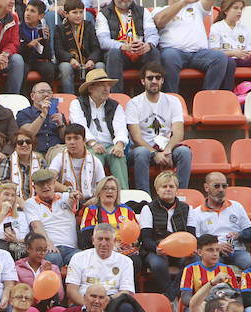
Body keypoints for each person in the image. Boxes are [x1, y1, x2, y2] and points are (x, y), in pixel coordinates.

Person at [125, 61, 192, 193]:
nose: (154, 81)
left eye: (158, 78)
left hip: (166, 148)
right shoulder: (133, 104)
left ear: (162, 81)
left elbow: (178, 134)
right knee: (142, 152)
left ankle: (180, 195)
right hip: (143, 150)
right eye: (150, 78)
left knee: (185, 152)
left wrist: (167, 150)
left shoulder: (173, 101)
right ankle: (144, 198)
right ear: (143, 81)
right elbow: (136, 137)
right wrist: (154, 153)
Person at [139, 170, 198, 299]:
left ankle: (171, 293)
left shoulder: (187, 209)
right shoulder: (148, 209)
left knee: (195, 261)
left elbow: (192, 235)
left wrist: (191, 249)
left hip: (181, 250)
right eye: (164, 186)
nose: (168, 189)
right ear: (157, 190)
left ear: (176, 189)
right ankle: (171, 295)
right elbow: (146, 239)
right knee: (157, 263)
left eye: (171, 186)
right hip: (157, 249)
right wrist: (156, 248)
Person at [152, 0, 232, 94]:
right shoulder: (159, 10)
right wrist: (183, 2)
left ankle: (207, 98)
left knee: (220, 57)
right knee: (169, 56)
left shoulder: (197, 7)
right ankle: (172, 99)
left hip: (199, 53)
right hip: (174, 52)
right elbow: (159, 21)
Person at [69, 68, 129, 189]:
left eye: (108, 85)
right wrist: (93, 143)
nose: (106, 89)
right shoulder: (77, 104)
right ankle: (93, 196)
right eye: (102, 85)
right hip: (88, 146)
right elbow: (80, 127)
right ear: (90, 88)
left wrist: (119, 144)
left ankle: (124, 197)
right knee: (93, 157)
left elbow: (121, 128)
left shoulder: (115, 105)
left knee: (118, 156)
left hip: (110, 145)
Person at [66, 223, 136, 312]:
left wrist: (106, 301)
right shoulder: (78, 258)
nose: (103, 243)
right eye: (100, 239)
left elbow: (126, 292)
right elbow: (71, 290)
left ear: (114, 241)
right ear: (93, 240)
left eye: (107, 239)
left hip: (112, 303)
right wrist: (89, 306)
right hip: (84, 302)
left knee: (126, 309)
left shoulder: (126, 261)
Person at [96, 0, 161, 93]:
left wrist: (148, 45)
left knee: (153, 51)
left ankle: (154, 94)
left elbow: (153, 34)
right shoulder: (103, 14)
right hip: (120, 53)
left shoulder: (143, 11)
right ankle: (116, 97)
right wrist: (123, 46)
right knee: (114, 52)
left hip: (140, 51)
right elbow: (104, 41)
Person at [78, 176, 139, 275]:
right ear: (99, 192)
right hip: (102, 249)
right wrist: (112, 245)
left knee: (136, 261)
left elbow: (136, 236)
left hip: (125, 251)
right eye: (105, 188)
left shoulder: (127, 210)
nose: (109, 191)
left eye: (113, 189)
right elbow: (86, 238)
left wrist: (130, 243)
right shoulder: (92, 210)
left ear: (117, 193)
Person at [193, 172, 251, 272]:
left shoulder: (236, 206)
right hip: (212, 253)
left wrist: (239, 235)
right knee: (213, 267)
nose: (221, 189)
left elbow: (250, 232)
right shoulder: (197, 213)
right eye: (216, 186)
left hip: (237, 251)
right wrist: (216, 247)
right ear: (206, 187)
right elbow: (197, 241)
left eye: (224, 186)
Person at [210, 0, 251, 90]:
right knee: (230, 63)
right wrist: (233, 53)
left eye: (241, 9)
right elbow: (214, 52)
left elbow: (250, 48)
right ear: (226, 11)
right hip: (227, 59)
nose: (239, 11)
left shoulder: (244, 28)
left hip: (243, 58)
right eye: (236, 8)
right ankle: (229, 94)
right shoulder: (216, 27)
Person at [23, 168, 78, 266]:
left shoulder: (65, 197)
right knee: (53, 258)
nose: (45, 187)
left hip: (71, 248)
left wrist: (74, 195)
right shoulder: (31, 203)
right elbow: (36, 226)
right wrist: (48, 244)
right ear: (34, 187)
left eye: (48, 183)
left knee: (81, 258)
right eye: (41, 184)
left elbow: (75, 199)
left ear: (54, 183)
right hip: (49, 248)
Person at [179, 234, 239, 312]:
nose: (215, 254)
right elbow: (185, 298)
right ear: (199, 252)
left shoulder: (227, 269)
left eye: (217, 250)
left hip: (224, 308)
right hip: (200, 306)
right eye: (210, 250)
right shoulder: (190, 269)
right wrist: (202, 303)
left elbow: (237, 295)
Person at [48, 124, 105, 206]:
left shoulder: (95, 161)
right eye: (68, 139)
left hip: (90, 202)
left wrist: (94, 200)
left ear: (84, 140)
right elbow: (49, 181)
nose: (72, 142)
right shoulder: (59, 158)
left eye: (76, 138)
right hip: (66, 200)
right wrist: (69, 190)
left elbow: (102, 187)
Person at [54, 0, 103, 95]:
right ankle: (70, 97)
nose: (78, 15)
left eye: (81, 12)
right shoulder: (60, 29)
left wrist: (92, 60)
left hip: (88, 63)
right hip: (70, 63)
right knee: (65, 67)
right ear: (66, 14)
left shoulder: (89, 26)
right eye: (74, 12)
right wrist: (70, 59)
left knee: (100, 66)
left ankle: (97, 96)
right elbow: (58, 50)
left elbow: (96, 48)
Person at [16, 82, 66, 160]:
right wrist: (43, 115)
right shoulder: (24, 113)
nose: (46, 95)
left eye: (49, 92)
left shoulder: (57, 114)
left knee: (62, 154)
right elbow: (28, 134)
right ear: (32, 96)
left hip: (55, 151)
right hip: (34, 151)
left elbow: (65, 139)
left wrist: (61, 125)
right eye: (42, 92)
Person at [16, 232, 65, 309]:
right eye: (38, 250)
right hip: (26, 306)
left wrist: (48, 276)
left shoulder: (53, 268)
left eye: (44, 250)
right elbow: (17, 294)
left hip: (49, 306)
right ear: (28, 249)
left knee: (59, 311)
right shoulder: (17, 268)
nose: (42, 253)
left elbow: (60, 295)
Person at [0, 182, 29, 258]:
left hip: (13, 250)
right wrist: (3, 213)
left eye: (13, 195)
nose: (10, 198)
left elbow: (25, 237)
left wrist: (15, 239)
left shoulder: (21, 215)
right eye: (6, 194)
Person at [19, 0, 55, 88]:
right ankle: (24, 98)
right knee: (22, 68)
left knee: (49, 68)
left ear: (41, 16)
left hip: (38, 61)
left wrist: (46, 41)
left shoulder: (42, 30)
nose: (27, 13)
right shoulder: (18, 29)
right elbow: (16, 51)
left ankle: (46, 95)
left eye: (32, 11)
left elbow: (48, 56)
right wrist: (28, 46)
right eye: (27, 10)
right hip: (24, 61)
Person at [0, 131, 44, 197]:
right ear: (15, 146)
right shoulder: (7, 162)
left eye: (28, 142)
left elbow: (46, 184)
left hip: (38, 202)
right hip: (13, 201)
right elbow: (4, 187)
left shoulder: (41, 162)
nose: (24, 145)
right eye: (20, 143)